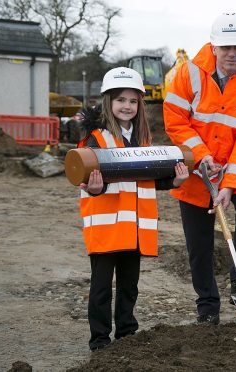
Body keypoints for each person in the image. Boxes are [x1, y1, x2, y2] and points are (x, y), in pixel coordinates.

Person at [163, 13, 236, 325]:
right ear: (214, 47)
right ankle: (207, 309)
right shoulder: (188, 74)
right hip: (195, 170)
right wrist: (200, 155)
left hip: (231, 167)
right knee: (199, 247)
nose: (231, 53)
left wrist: (229, 184)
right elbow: (174, 119)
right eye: (225, 47)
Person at [78, 66, 189, 351]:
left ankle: (126, 335)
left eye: (132, 101)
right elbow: (87, 179)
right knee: (102, 288)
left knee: (129, 285)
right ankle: (100, 341)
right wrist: (94, 187)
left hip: (134, 228)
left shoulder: (143, 141)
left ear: (140, 104)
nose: (126, 106)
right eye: (120, 100)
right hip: (106, 228)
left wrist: (174, 181)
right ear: (108, 102)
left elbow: (146, 181)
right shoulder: (96, 138)